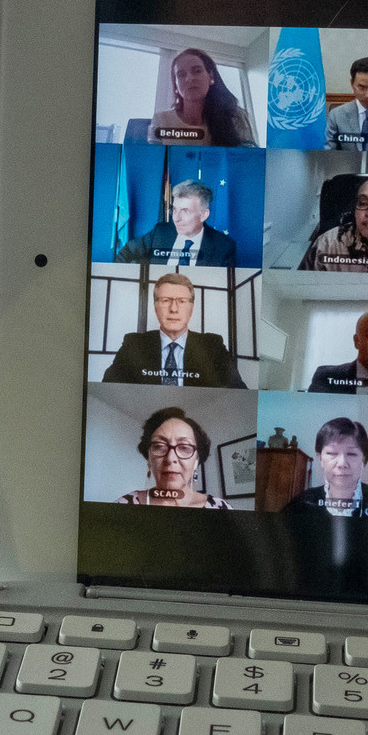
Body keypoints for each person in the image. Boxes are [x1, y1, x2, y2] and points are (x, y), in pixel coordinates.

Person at [99, 272, 244, 388]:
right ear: (155, 306)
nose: (173, 309)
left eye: (181, 301)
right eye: (165, 301)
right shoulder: (133, 343)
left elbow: (238, 390)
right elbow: (108, 387)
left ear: (191, 307)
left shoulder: (213, 345)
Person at [281, 419, 368, 525]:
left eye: (351, 454)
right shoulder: (301, 503)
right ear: (320, 458)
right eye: (332, 453)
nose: (342, 464)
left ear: (364, 459)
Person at [116, 407, 232, 508]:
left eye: (184, 447)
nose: (170, 458)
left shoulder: (220, 508)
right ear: (149, 460)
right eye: (159, 446)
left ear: (196, 461)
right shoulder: (124, 504)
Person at [148, 48, 256, 147]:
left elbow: (247, 163)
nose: (189, 79)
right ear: (175, 85)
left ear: (211, 76)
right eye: (181, 74)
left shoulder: (236, 117)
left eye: (197, 71)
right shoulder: (161, 120)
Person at [115, 180, 237, 267]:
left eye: (185, 211)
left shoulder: (224, 246)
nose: (176, 218)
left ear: (204, 215)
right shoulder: (160, 232)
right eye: (174, 210)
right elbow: (125, 253)